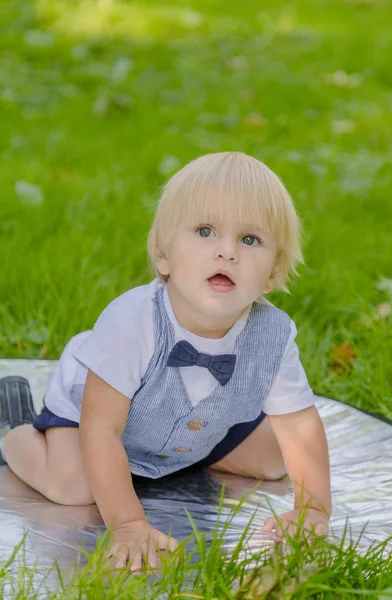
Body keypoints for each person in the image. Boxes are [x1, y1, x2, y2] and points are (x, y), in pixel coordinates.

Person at [0, 151, 331, 572]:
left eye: (250, 240)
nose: (227, 251)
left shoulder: (274, 334)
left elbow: (299, 424)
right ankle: (13, 431)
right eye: (205, 231)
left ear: (271, 273)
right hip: (98, 416)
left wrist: (314, 509)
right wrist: (128, 524)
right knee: (74, 486)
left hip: (195, 421)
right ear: (163, 255)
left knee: (274, 460)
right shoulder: (132, 322)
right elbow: (102, 428)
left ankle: (178, 453)